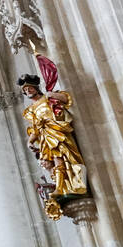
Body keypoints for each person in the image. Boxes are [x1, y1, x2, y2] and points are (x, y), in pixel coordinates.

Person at [18, 73, 88, 201]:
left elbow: (66, 99)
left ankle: (64, 186)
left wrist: (52, 95)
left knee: (60, 157)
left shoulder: (47, 99)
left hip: (56, 132)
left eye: (30, 88)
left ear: (36, 88)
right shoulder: (31, 110)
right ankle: (61, 185)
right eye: (25, 90)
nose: (28, 91)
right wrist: (30, 142)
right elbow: (35, 128)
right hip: (45, 136)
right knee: (48, 163)